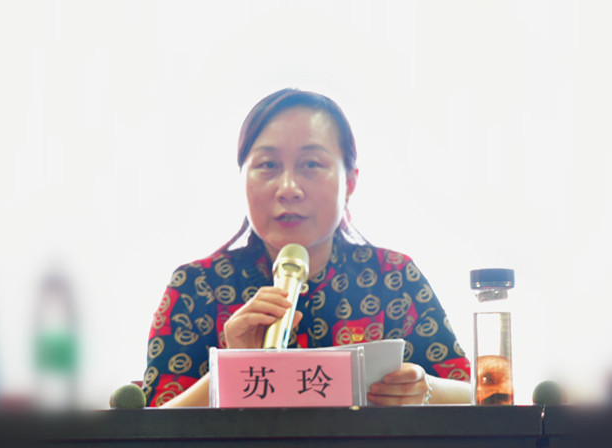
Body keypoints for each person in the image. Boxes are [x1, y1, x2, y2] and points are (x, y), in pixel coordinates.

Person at [142, 88, 471, 407]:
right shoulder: (197, 287)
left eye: (311, 164)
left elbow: (478, 396)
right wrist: (234, 367)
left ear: (350, 182)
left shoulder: (393, 278)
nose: (288, 188)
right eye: (267, 165)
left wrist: (425, 388)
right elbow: (151, 424)